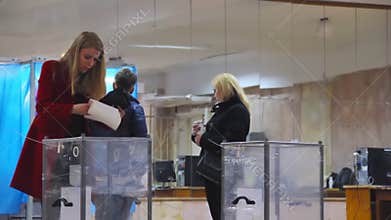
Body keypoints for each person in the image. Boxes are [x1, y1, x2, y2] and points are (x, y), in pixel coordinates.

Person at [11, 31, 107, 199]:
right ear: (75, 52)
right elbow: (43, 107)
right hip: (53, 147)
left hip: (77, 151)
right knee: (53, 203)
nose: (91, 63)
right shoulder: (52, 68)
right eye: (87, 57)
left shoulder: (89, 80)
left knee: (75, 206)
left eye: (95, 60)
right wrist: (74, 109)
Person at [87, 68, 148, 220]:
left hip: (102, 173)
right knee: (123, 215)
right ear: (132, 88)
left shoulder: (100, 108)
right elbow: (141, 144)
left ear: (114, 84)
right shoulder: (136, 109)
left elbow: (93, 140)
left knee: (103, 214)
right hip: (127, 175)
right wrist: (138, 175)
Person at [192, 73, 250, 220]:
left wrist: (203, 139)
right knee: (218, 213)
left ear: (225, 90)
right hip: (213, 172)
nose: (215, 94)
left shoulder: (237, 110)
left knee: (224, 213)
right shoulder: (223, 110)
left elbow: (229, 144)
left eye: (216, 90)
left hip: (224, 173)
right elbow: (215, 136)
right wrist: (198, 135)